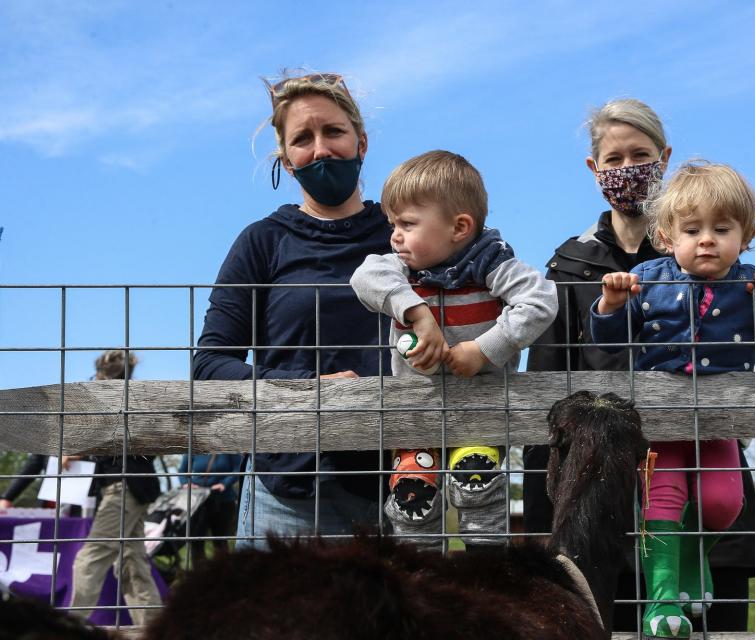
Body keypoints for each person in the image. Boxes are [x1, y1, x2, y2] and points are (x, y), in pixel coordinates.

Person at [523, 99, 755, 633]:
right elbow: (543, 379)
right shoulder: (570, 264)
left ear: (663, 159)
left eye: (639, 155)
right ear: (595, 170)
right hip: (600, 495)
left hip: (710, 470)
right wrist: (545, 518)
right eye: (613, 158)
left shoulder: (712, 248)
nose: (626, 169)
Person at [591, 160, 755, 638]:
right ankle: (662, 600)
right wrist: (610, 306)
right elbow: (608, 343)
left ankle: (694, 558)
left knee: (722, 502)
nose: (706, 239)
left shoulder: (753, 286)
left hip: (719, 420)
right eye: (692, 229)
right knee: (660, 502)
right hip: (658, 421)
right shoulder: (647, 279)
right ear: (667, 236)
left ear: (745, 236)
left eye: (721, 228)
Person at [193, 72, 393, 549]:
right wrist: (305, 392)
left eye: (334, 132)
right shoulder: (262, 242)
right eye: (303, 138)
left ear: (361, 141)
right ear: (286, 158)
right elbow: (209, 363)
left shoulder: (404, 234)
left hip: (395, 487)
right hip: (284, 492)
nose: (321, 149)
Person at [350, 150, 557, 549]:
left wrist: (484, 349)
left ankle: (486, 575)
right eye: (393, 224)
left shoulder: (494, 264)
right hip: (416, 410)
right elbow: (364, 277)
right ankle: (421, 578)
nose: (395, 235)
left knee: (475, 480)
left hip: (481, 406)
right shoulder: (399, 268)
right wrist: (418, 313)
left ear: (459, 227)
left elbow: (541, 300)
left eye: (407, 224)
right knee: (414, 493)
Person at [69, 350, 162, 627]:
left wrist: (80, 451)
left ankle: (71, 625)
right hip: (137, 486)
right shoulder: (137, 402)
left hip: (123, 487)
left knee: (91, 557)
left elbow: (117, 446)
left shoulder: (115, 403)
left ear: (102, 376)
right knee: (132, 561)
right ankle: (154, 627)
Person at [177, 453, 243, 561]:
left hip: (223, 500)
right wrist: (187, 483)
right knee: (196, 541)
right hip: (199, 502)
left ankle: (224, 575)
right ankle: (199, 575)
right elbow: (182, 472)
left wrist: (224, 484)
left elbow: (238, 469)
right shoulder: (194, 448)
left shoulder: (230, 449)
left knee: (221, 542)